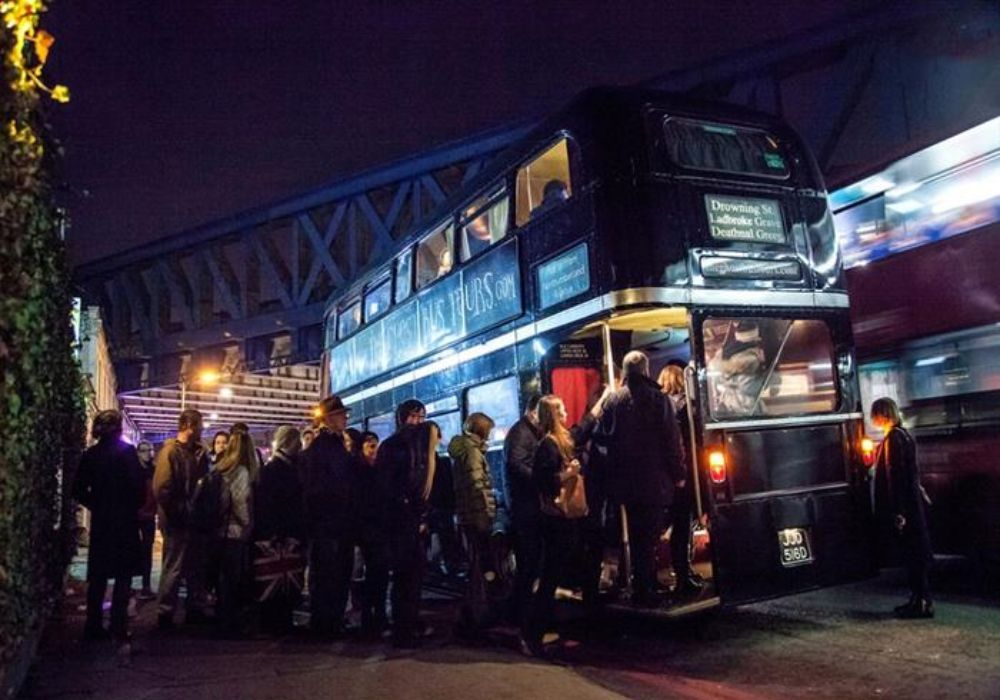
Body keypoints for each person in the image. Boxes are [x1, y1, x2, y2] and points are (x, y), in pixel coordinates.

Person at [597, 350, 685, 607]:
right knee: (649, 536)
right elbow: (672, 441)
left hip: (624, 484)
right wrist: (678, 474)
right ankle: (646, 591)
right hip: (655, 480)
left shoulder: (613, 401)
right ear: (646, 370)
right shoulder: (658, 399)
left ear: (625, 372)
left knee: (637, 536)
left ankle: (641, 584)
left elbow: (602, 439)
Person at [522, 394, 604, 656]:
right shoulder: (547, 445)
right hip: (557, 519)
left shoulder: (562, 440)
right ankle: (532, 635)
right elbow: (541, 481)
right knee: (551, 575)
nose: (567, 414)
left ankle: (566, 625)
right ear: (554, 416)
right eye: (563, 411)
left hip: (567, 518)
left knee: (567, 568)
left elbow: (582, 429)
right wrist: (568, 473)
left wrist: (602, 401)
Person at [73, 410, 145, 644]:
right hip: (124, 522)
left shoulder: (91, 455)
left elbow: (78, 489)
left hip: (102, 522)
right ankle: (118, 624)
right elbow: (138, 488)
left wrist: (97, 505)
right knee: (123, 576)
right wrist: (131, 505)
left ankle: (93, 625)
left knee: (98, 576)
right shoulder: (127, 453)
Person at [871, 397, 934, 618]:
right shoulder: (906, 435)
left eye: (875, 414)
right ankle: (920, 600)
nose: (873, 420)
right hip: (913, 503)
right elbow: (911, 473)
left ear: (882, 414)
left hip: (904, 506)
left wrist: (898, 512)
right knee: (918, 554)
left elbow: (894, 476)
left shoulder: (892, 439)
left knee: (913, 555)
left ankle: (921, 602)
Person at [379, 419, 440, 647]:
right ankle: (403, 630)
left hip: (407, 523)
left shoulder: (407, 451)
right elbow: (395, 490)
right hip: (404, 525)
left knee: (410, 578)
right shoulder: (408, 455)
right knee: (407, 577)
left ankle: (406, 626)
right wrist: (415, 515)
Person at [301, 395, 355, 638]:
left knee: (331, 574)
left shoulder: (327, 445)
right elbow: (323, 487)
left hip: (332, 524)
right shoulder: (325, 447)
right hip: (330, 524)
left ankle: (329, 620)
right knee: (329, 574)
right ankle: (326, 622)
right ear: (330, 418)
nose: (346, 418)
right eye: (342, 414)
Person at [153, 409, 211, 629]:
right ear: (189, 425)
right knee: (174, 567)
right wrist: (179, 511)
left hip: (193, 519)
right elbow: (162, 488)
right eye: (200, 425)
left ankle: (192, 610)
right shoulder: (171, 453)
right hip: (178, 520)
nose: (202, 429)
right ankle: (166, 613)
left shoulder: (196, 453)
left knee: (193, 566)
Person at [448, 412, 498, 637]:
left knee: (476, 564)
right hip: (477, 516)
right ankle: (477, 614)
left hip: (468, 515)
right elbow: (478, 486)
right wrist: (487, 514)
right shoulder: (473, 452)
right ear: (482, 430)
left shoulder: (464, 450)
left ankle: (473, 613)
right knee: (481, 565)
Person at [255, 425, 307, 634]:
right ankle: (277, 620)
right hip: (283, 534)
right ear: (292, 442)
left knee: (283, 579)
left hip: (284, 532)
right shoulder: (278, 470)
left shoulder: (274, 468)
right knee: (281, 579)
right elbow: (275, 503)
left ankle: (279, 619)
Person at [657, 364, 704, 596]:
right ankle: (683, 571)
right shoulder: (686, 404)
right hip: (685, 471)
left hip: (661, 475)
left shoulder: (657, 405)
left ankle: (673, 571)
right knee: (683, 524)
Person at [504, 393, 542, 628]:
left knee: (531, 562)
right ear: (533, 411)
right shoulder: (520, 433)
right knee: (528, 563)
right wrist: (548, 478)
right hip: (524, 507)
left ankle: (522, 612)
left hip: (527, 505)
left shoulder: (527, 431)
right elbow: (518, 466)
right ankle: (520, 615)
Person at [213, 428, 256, 637]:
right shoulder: (241, 471)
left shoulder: (221, 467)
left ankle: (222, 619)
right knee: (233, 580)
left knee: (223, 579)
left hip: (219, 530)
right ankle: (231, 625)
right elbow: (240, 503)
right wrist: (248, 525)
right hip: (234, 531)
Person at [352, 430, 391, 639]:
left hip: (378, 529)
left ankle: (378, 615)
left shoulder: (378, 470)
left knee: (379, 574)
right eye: (371, 447)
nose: (375, 451)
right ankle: (370, 616)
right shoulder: (360, 472)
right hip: (368, 530)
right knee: (373, 574)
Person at [135, 441, 158, 600]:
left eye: (149, 450)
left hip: (148, 515)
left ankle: (146, 585)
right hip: (135, 515)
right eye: (144, 450)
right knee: (132, 549)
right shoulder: (134, 470)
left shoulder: (154, 470)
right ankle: (132, 584)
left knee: (147, 551)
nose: (147, 454)